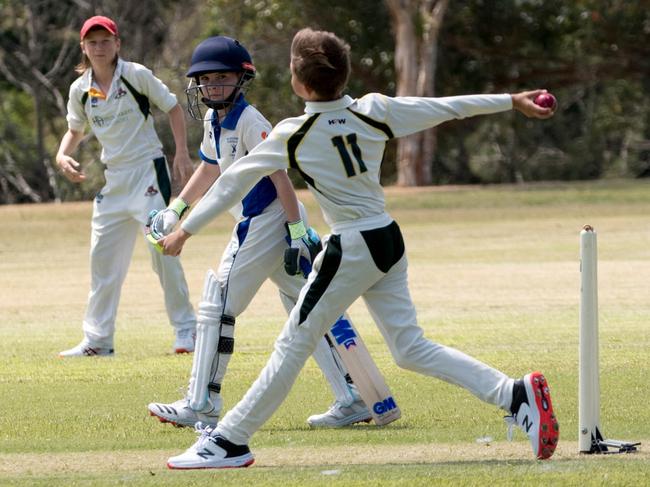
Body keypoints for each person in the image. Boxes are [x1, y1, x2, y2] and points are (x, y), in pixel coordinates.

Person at [159, 27, 560, 469]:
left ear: (299, 81)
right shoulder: (375, 110)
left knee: (293, 344)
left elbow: (231, 182)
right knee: (409, 348)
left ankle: (229, 441)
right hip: (387, 238)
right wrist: (512, 100)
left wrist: (184, 231)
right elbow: (447, 109)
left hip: (351, 246)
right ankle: (513, 393)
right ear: (345, 76)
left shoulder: (295, 132)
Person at [145, 36, 374, 428]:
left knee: (218, 304)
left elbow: (279, 174)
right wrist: (176, 208)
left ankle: (201, 404)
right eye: (206, 79)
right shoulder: (216, 120)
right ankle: (354, 396)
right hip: (265, 222)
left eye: (221, 77)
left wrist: (297, 228)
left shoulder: (251, 121)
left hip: (268, 219)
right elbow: (210, 168)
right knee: (306, 308)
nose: (212, 86)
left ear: (241, 79)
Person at [56, 16, 196, 356]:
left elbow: (173, 107)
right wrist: (62, 155)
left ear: (117, 44)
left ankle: (187, 331)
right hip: (114, 179)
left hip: (148, 171)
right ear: (84, 48)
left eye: (106, 41)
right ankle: (98, 341)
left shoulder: (136, 75)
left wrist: (181, 153)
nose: (99, 48)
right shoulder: (80, 90)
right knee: (102, 259)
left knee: (160, 250)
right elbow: (76, 129)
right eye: (93, 42)